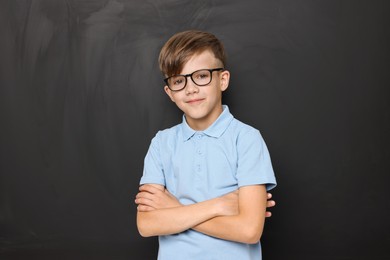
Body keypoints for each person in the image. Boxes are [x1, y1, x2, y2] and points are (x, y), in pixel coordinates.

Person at [135, 30, 277, 260]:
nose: (190, 89)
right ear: (169, 92)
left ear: (222, 80)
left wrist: (175, 212)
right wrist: (219, 205)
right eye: (179, 81)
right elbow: (147, 225)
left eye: (201, 76)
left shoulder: (247, 139)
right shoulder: (161, 143)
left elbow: (249, 230)